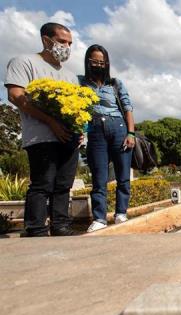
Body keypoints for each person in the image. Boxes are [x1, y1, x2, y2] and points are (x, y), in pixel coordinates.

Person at [4, 22, 80, 237]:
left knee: (64, 185)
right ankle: (35, 228)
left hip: (68, 137)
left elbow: (78, 107)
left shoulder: (70, 76)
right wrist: (50, 121)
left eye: (70, 43)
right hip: (41, 137)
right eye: (62, 41)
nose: (66, 47)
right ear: (46, 40)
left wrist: (79, 129)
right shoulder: (24, 62)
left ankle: (61, 226)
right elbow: (16, 96)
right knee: (42, 183)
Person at [79, 44, 136, 233]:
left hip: (118, 127)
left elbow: (127, 108)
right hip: (95, 130)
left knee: (122, 175)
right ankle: (99, 217)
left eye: (101, 62)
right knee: (99, 176)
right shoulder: (80, 83)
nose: (98, 64)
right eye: (94, 61)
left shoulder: (115, 83)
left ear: (106, 63)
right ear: (88, 62)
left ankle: (121, 213)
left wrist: (131, 133)